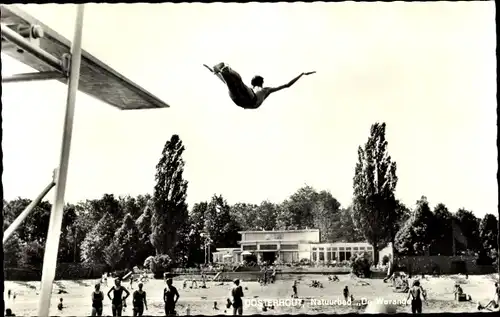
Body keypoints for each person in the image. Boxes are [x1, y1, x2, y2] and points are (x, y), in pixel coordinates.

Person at [204, 62, 316, 110]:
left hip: (243, 100)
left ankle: (225, 70)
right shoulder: (266, 90)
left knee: (236, 83)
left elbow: (287, 85)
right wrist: (302, 74)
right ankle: (225, 70)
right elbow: (287, 85)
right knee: (235, 84)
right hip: (247, 100)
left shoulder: (263, 90)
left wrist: (301, 74)